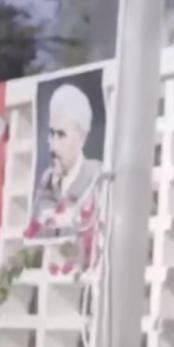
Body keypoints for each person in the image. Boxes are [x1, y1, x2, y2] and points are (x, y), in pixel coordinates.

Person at [33, 83, 102, 235]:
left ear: (82, 138)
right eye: (51, 133)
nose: (52, 145)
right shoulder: (46, 181)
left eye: (61, 135)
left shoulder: (97, 176)